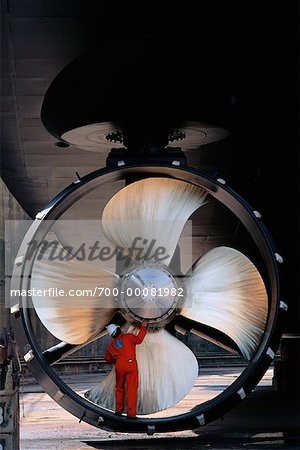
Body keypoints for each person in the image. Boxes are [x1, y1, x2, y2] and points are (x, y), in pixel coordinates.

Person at [105, 320, 147, 419]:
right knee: (131, 389)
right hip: (130, 364)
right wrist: (143, 327)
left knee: (119, 388)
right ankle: (131, 414)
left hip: (119, 366)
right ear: (119, 329)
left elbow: (108, 358)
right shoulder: (128, 337)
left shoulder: (112, 346)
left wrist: (116, 360)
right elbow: (139, 340)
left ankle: (118, 411)